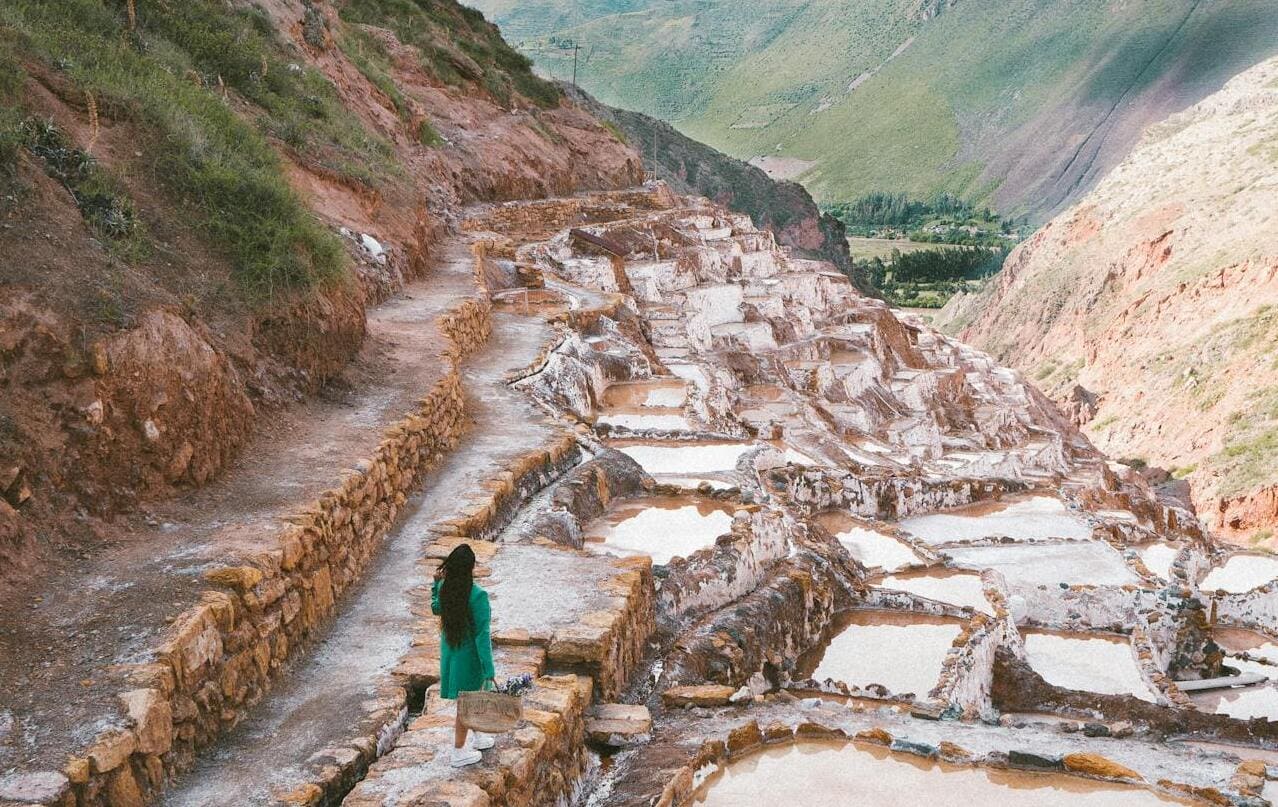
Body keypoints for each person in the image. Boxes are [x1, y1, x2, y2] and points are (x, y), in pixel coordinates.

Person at [431, 543, 496, 767]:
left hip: (451, 651)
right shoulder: (477, 595)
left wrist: (435, 584)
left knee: (470, 696)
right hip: (468, 655)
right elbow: (482, 634)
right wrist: (489, 668)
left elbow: (436, 608)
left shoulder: (445, 588)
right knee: (467, 702)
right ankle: (458, 752)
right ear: (470, 568)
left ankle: (478, 736)